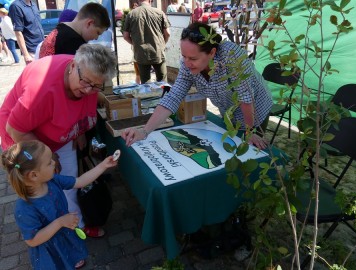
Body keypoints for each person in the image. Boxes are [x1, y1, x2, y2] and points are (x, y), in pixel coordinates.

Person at [0, 43, 117, 238]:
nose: (89, 90)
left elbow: (81, 103)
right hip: (23, 137)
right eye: (86, 82)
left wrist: (78, 130)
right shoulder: (42, 89)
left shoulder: (86, 77)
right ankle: (51, 235)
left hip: (57, 134)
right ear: (72, 66)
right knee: (43, 191)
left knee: (67, 183)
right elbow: (14, 129)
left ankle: (75, 226)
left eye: (97, 86)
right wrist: (48, 155)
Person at [121, 22, 272, 150]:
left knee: (250, 150)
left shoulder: (232, 56)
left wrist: (250, 131)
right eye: (184, 56)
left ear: (212, 52)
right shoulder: (188, 66)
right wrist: (144, 131)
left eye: (193, 58)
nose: (186, 63)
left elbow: (246, 98)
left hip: (255, 109)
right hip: (230, 111)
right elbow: (173, 97)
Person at [1, 140, 119, 269]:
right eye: (49, 162)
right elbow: (32, 240)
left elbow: (79, 181)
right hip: (50, 251)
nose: (54, 162)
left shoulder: (52, 181)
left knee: (69, 262)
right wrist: (60, 222)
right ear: (34, 175)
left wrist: (103, 166)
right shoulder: (24, 208)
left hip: (65, 238)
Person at [39, 2, 110, 58]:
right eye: (97, 32)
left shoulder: (60, 29)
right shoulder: (74, 43)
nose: (96, 38)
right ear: (89, 23)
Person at [123, 0, 170, 83]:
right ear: (150, 0)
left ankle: (148, 95)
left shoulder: (131, 14)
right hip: (158, 51)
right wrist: (162, 44)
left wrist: (135, 44)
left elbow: (126, 36)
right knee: (163, 82)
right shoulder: (159, 12)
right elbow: (167, 33)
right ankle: (164, 95)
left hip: (141, 52)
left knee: (145, 83)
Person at [8, 0, 44, 65]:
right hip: (31, 49)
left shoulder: (33, 4)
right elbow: (18, 32)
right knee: (35, 73)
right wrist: (26, 54)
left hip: (42, 46)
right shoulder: (16, 6)